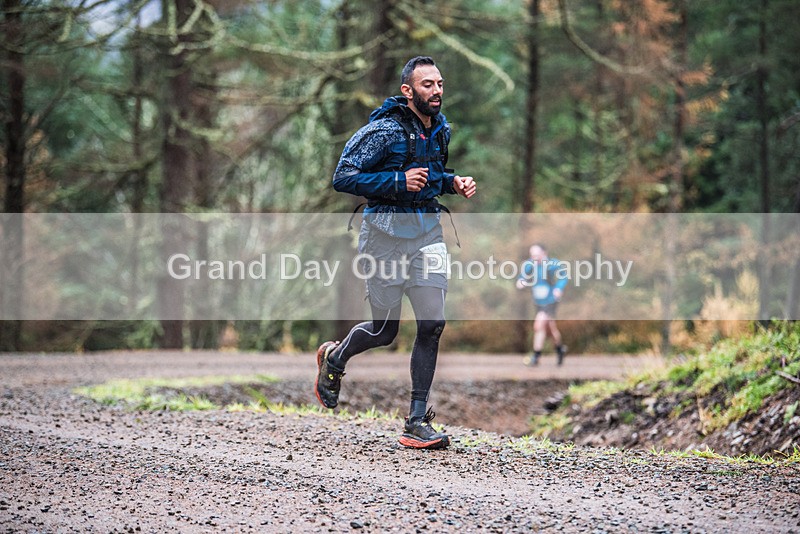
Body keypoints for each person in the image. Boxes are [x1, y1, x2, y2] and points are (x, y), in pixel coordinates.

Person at [314, 56, 476, 450]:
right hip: (383, 237)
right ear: (408, 91)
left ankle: (416, 421)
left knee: (432, 323)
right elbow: (343, 176)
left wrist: (452, 181)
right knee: (385, 330)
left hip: (427, 235)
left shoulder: (441, 129)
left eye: (439, 84)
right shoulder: (383, 131)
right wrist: (396, 180)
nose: (436, 91)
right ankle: (335, 359)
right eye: (427, 85)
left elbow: (431, 174)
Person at [516, 244, 568, 366]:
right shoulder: (530, 265)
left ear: (544, 253)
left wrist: (558, 288)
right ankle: (560, 349)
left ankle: (536, 356)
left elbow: (563, 276)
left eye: (536, 255)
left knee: (538, 325)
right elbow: (522, 276)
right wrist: (521, 282)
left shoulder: (553, 264)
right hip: (538, 301)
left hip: (551, 300)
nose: (534, 257)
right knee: (550, 329)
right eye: (532, 255)